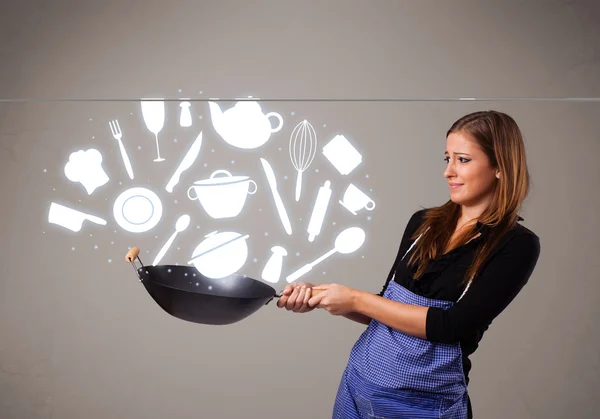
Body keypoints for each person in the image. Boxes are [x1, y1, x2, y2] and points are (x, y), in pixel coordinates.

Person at [276, 110, 541, 419]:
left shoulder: (516, 245)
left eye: (463, 160)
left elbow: (451, 326)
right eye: (447, 159)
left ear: (499, 166)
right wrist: (320, 295)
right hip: (359, 384)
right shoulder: (423, 223)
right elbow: (387, 308)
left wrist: (354, 298)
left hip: (422, 405)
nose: (449, 171)